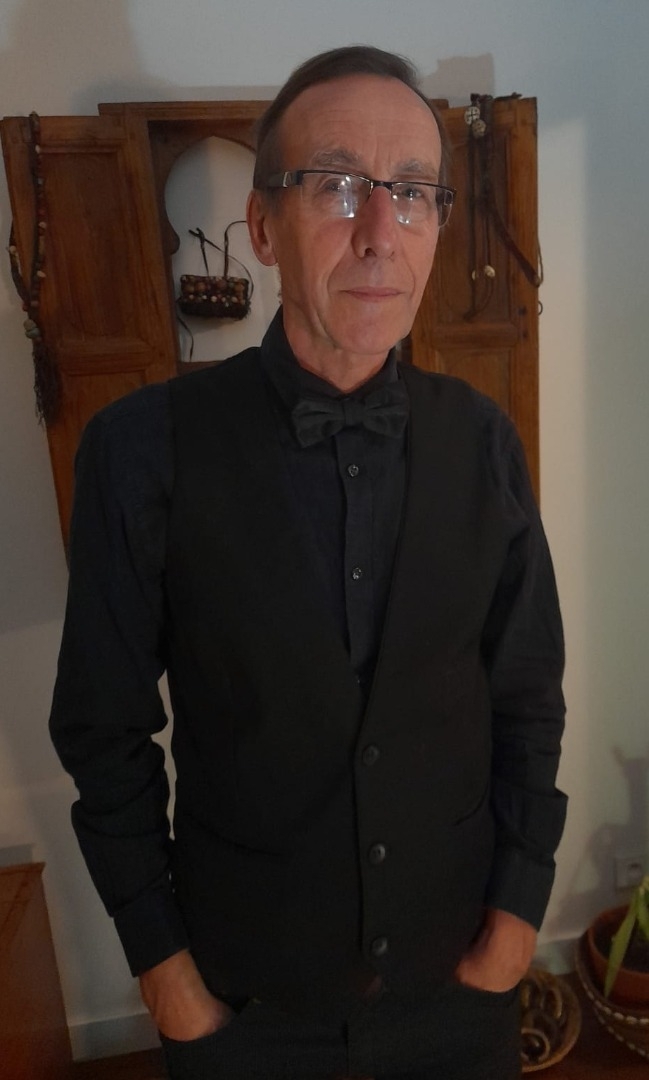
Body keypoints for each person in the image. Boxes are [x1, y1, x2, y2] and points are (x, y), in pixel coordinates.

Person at [50, 45, 567, 1080]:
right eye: (336, 185)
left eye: (411, 193)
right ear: (261, 227)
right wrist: (166, 976)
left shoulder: (483, 439)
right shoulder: (139, 448)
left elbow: (526, 698)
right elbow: (104, 732)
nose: (380, 230)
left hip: (458, 987)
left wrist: (517, 915)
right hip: (242, 1010)